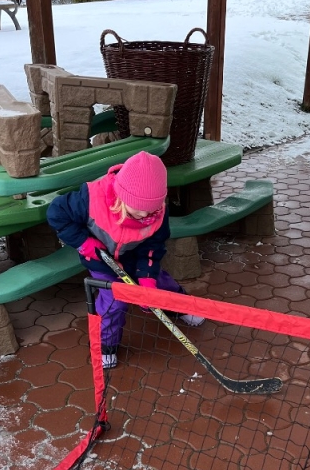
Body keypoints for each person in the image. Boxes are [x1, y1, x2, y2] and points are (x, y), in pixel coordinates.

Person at [47, 151, 204, 368]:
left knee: (159, 283)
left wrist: (147, 280)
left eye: (151, 209)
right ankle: (107, 345)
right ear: (122, 196)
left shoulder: (157, 214)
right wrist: (83, 242)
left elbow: (153, 247)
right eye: (137, 208)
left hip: (134, 255)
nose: (143, 215)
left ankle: (179, 306)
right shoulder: (91, 198)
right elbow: (56, 214)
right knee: (115, 301)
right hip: (101, 259)